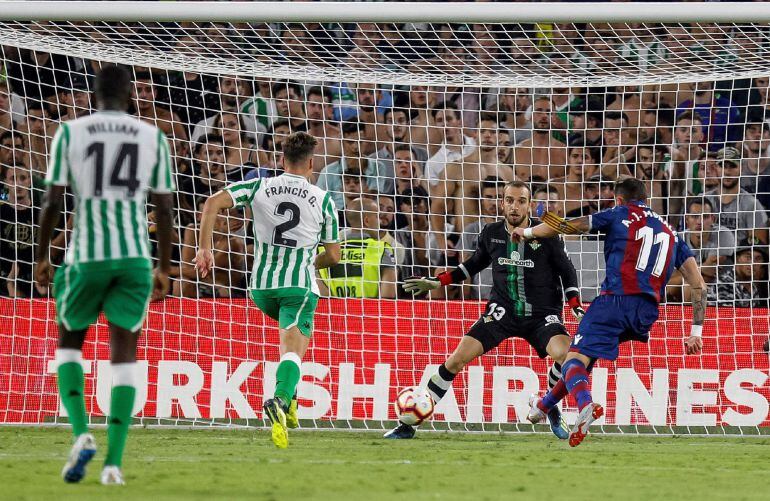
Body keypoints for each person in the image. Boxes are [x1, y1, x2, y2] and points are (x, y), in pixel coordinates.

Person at [34, 65, 174, 484]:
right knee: (125, 355)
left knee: (69, 344)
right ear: (130, 96)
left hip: (86, 256)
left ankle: (81, 434)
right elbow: (165, 208)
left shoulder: (70, 133)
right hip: (133, 258)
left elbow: (52, 201)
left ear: (94, 96)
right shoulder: (152, 136)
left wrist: (42, 255)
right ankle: (113, 464)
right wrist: (164, 266)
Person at [514, 177, 704, 447]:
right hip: (647, 313)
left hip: (614, 301)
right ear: (646, 199)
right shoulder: (672, 233)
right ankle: (542, 407)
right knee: (584, 359)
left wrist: (528, 231)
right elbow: (698, 285)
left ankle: (585, 406)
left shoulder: (619, 213)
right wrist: (696, 331)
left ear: (618, 199)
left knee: (572, 361)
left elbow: (567, 227)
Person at [389, 181, 585, 440]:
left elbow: (567, 271)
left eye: (521, 201)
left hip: (541, 315)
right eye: (510, 200)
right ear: (502, 203)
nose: (515, 206)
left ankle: (549, 406)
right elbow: (471, 266)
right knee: (455, 360)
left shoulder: (547, 235)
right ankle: (408, 425)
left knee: (566, 356)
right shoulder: (491, 233)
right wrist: (438, 281)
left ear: (529, 205)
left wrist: (574, 304)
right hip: (501, 313)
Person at [194, 131, 340, 449]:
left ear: (281, 160)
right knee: (293, 350)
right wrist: (309, 263)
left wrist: (204, 249)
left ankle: (291, 398)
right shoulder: (322, 198)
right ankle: (280, 400)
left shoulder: (260, 185)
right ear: (312, 164)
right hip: (298, 287)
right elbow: (333, 256)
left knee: (293, 347)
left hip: (260, 288)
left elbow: (211, 202)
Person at [318, 197, 397, 299]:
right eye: (377, 216)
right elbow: (388, 296)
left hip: (335, 313)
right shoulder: (382, 250)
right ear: (367, 221)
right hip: (369, 313)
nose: (380, 222)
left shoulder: (325, 253)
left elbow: (322, 297)